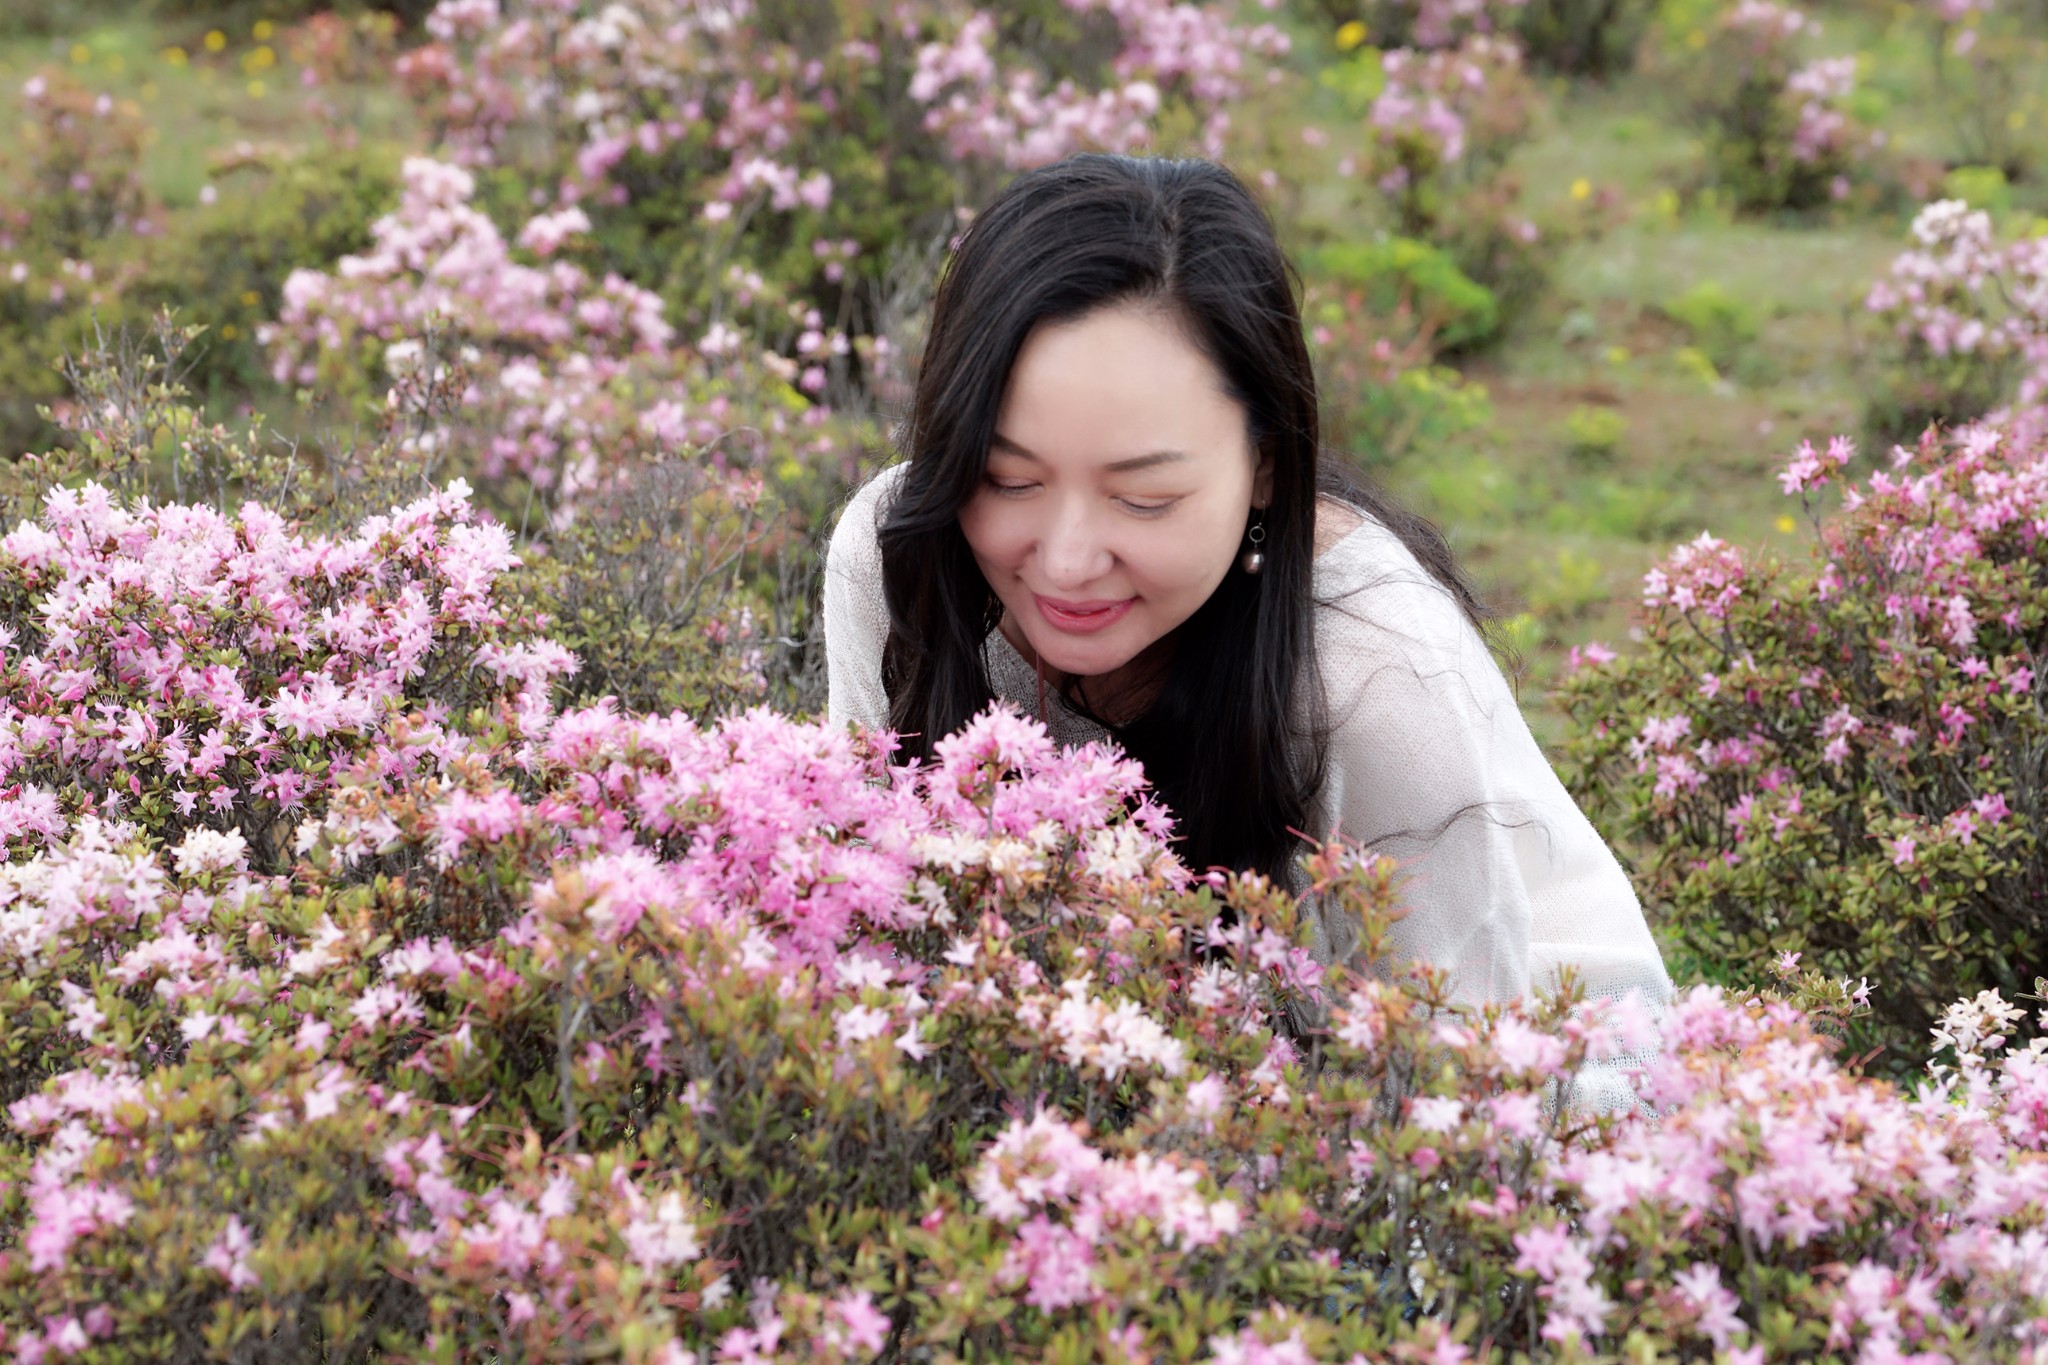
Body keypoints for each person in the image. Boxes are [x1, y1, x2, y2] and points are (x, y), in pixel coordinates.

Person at [822, 153, 1672, 1080]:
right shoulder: (896, 555)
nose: (1066, 560)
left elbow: (1459, 1108)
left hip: (1529, 1079)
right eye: (1006, 478)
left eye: (1144, 499)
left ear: (1265, 463)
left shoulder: (1375, 678)